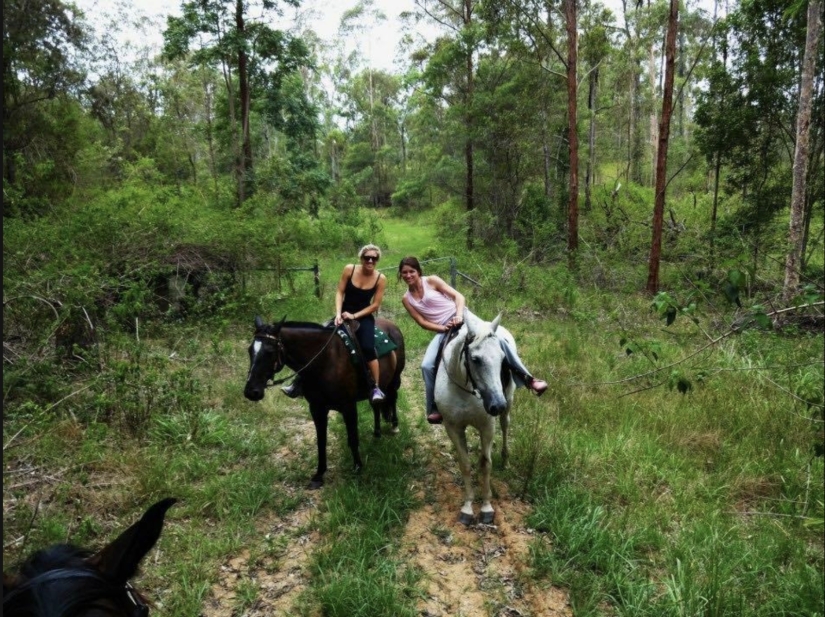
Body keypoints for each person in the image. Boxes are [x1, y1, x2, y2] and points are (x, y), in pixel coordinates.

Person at [398, 256, 548, 424]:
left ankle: (529, 379)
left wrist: (459, 315)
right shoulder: (406, 298)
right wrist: (443, 328)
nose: (408, 275)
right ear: (400, 274)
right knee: (426, 365)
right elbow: (422, 321)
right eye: (404, 272)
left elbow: (459, 297)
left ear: (418, 271)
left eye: (412, 271)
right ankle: (433, 406)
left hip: (464, 319)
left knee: (496, 340)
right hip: (443, 329)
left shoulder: (431, 281)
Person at [282, 244, 388, 403]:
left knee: (367, 347)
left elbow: (375, 305)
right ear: (361, 258)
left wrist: (354, 315)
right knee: (319, 340)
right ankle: (298, 383)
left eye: (374, 258)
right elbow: (340, 292)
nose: (370, 260)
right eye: (367, 257)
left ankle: (375, 387)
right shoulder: (349, 269)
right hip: (343, 313)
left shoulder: (381, 278)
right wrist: (338, 314)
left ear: (377, 260)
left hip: (363, 316)